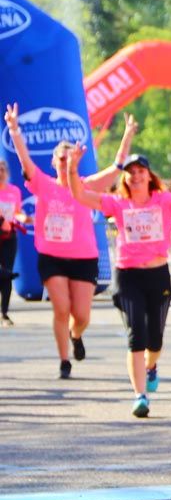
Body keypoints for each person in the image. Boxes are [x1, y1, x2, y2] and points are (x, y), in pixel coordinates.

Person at [67, 142, 171, 417]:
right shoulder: (117, 203)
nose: (136, 176)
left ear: (148, 175)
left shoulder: (164, 200)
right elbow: (80, 195)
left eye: (141, 171)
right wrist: (72, 167)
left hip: (157, 275)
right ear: (126, 178)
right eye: (131, 172)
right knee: (136, 336)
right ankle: (140, 395)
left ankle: (151, 366)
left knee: (154, 340)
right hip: (128, 274)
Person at [5, 104, 136, 378]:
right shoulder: (43, 183)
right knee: (61, 308)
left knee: (82, 315)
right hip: (52, 256)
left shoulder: (85, 185)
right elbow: (24, 160)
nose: (65, 164)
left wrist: (127, 135)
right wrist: (15, 129)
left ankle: (76, 336)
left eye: (70, 159)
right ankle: (64, 360)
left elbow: (115, 170)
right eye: (61, 160)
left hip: (84, 257)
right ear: (54, 162)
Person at [0, 158, 26, 326]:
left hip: (9, 236)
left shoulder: (14, 191)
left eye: (2, 169)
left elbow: (17, 211)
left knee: (7, 274)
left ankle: (4, 313)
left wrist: (24, 218)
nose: (0, 172)